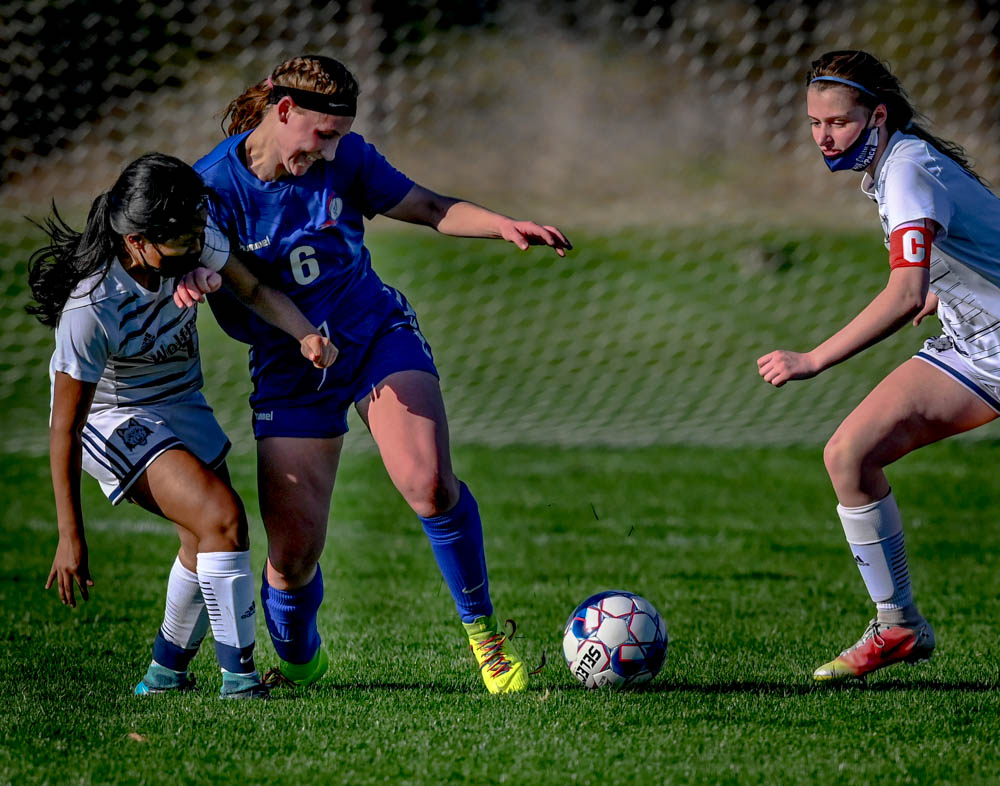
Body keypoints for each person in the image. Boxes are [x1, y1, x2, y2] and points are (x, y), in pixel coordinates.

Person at [176, 54, 570, 694]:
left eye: (338, 137)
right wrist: (198, 282)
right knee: (291, 558)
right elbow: (226, 284)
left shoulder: (348, 158)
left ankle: (487, 642)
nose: (329, 151)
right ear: (283, 112)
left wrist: (500, 224)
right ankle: (300, 655)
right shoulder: (212, 189)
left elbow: (428, 205)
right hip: (289, 363)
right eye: (321, 136)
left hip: (371, 329)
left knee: (429, 484)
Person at [29, 152, 336, 698]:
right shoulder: (91, 304)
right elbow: (64, 427)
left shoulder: (193, 242)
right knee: (223, 517)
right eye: (181, 240)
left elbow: (255, 290)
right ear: (136, 240)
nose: (196, 247)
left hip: (181, 403)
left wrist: (304, 333)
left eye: (198, 233)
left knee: (203, 542)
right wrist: (69, 534)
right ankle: (240, 680)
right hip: (116, 418)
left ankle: (166, 672)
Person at [758, 49, 1000, 681]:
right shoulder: (896, 166)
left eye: (836, 122)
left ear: (878, 115)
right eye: (814, 124)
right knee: (849, 455)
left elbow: (902, 294)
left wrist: (813, 359)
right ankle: (897, 625)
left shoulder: (908, 172)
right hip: (976, 346)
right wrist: (954, 292)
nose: (823, 137)